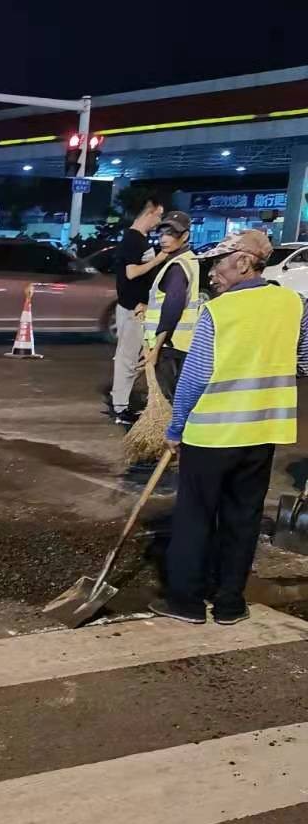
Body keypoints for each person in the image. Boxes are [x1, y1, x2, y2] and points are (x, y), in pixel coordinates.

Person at [151, 229, 308, 626]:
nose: (212, 273)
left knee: (195, 516)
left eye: (218, 264)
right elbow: (304, 362)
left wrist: (175, 427)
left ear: (243, 262)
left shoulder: (219, 311)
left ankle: (186, 601)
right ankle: (229, 604)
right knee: (243, 518)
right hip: (263, 434)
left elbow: (195, 378)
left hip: (212, 434)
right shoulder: (295, 304)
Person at [109, 198, 165, 426]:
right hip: (133, 309)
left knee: (132, 357)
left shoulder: (138, 239)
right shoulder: (133, 240)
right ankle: (121, 409)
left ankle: (123, 404)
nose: (159, 221)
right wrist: (159, 259)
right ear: (149, 212)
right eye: (159, 215)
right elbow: (131, 273)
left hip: (137, 308)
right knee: (127, 358)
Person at [143, 210, 201, 404]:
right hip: (181, 344)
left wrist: (155, 350)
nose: (164, 239)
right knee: (178, 399)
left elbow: (172, 309)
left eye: (171, 234)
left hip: (170, 346)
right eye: (161, 234)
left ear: (185, 236)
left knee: (168, 401)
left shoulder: (177, 267)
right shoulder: (189, 259)